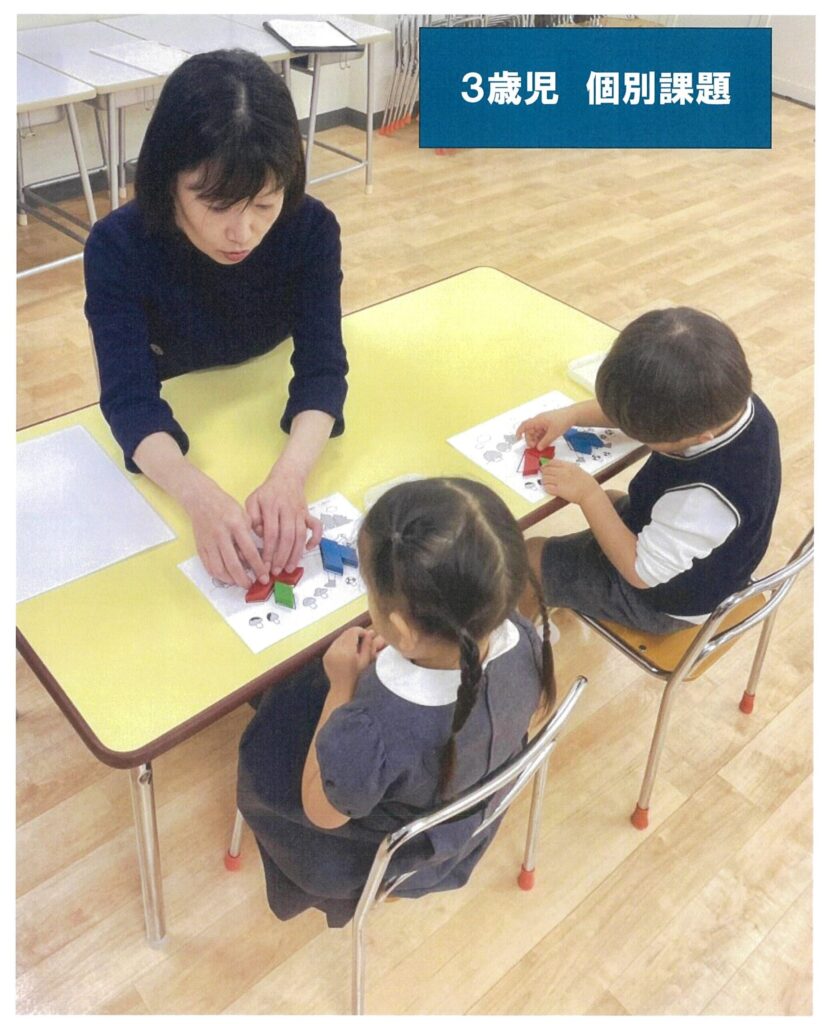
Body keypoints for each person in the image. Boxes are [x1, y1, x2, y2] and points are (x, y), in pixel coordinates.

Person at [236, 477, 557, 928]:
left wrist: (341, 685)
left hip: (377, 853)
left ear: (403, 631)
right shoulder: (525, 637)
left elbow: (321, 812)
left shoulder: (372, 730)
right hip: (465, 817)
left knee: (269, 735)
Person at [83, 49, 348, 589]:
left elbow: (323, 371)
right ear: (167, 180)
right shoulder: (118, 246)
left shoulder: (311, 229)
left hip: (260, 384)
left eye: (264, 205)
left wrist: (288, 479)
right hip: (178, 390)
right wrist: (195, 495)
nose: (243, 232)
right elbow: (129, 401)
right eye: (217, 205)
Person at [517, 307, 781, 633]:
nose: (634, 430)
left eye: (644, 434)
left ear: (698, 435)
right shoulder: (723, 400)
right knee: (612, 501)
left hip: (667, 602)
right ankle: (563, 589)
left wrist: (587, 494)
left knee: (526, 562)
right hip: (705, 563)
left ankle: (522, 650)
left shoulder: (705, 499)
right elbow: (640, 408)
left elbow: (640, 573)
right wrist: (571, 415)